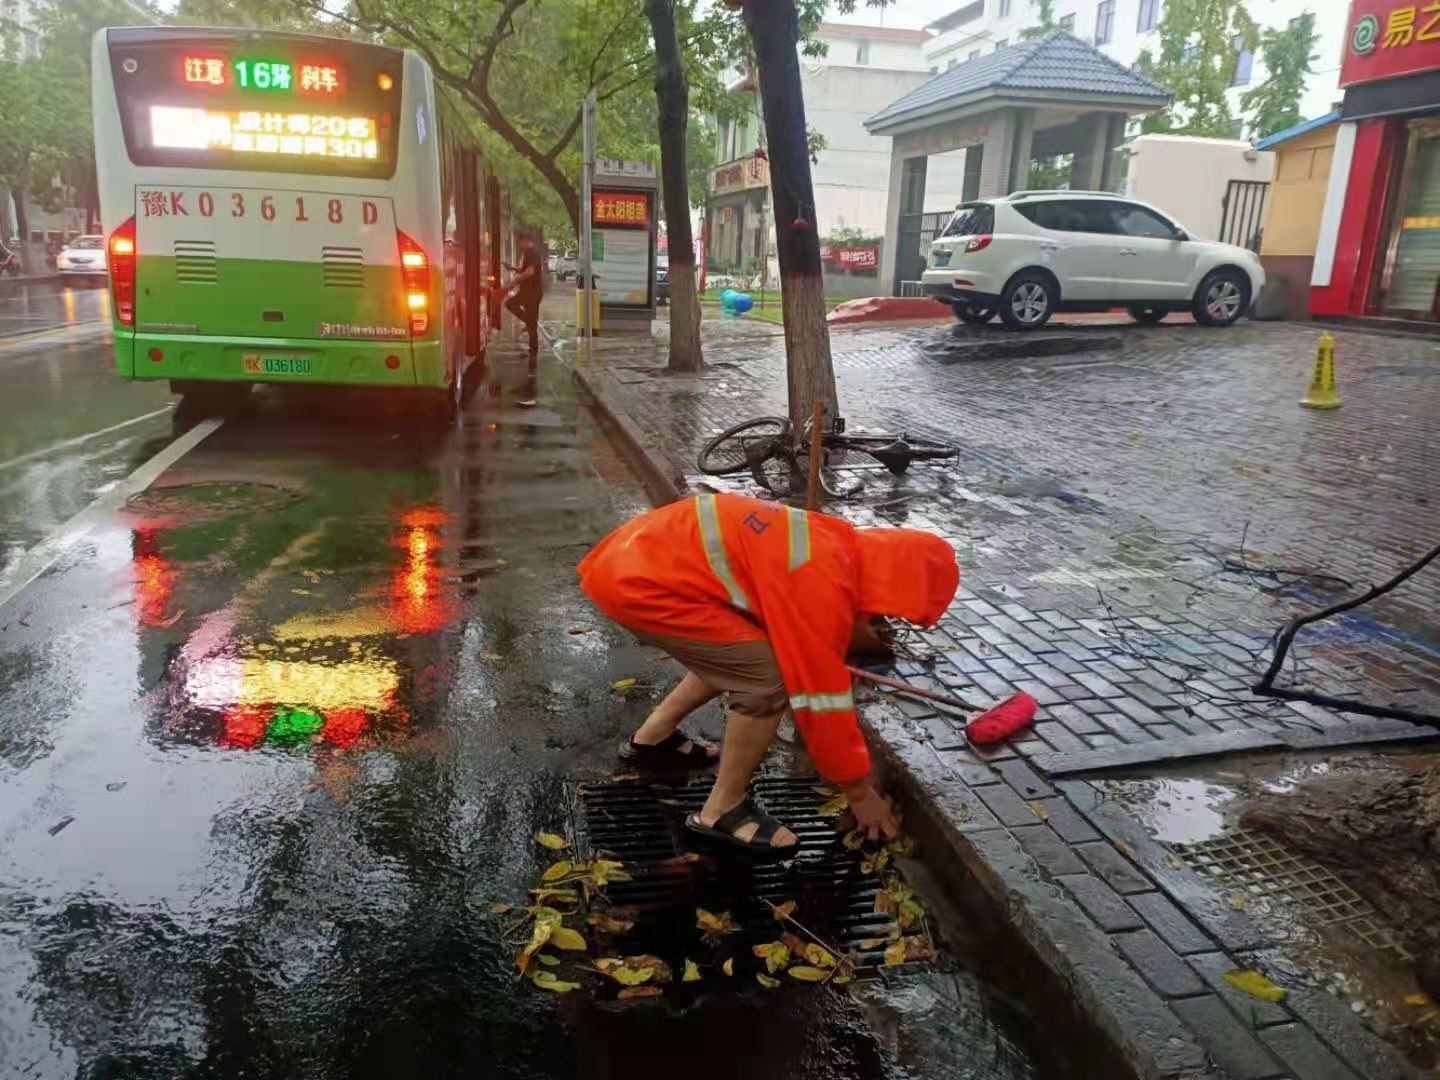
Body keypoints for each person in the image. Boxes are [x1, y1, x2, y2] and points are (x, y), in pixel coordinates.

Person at [578, 492, 959, 859]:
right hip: (642, 585)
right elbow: (820, 704)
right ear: (893, 588)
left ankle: (653, 738)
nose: (882, 623)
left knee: (743, 654)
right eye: (888, 614)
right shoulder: (824, 587)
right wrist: (859, 793)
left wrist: (828, 653)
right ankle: (722, 811)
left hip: (631, 557)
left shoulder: (835, 543)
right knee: (766, 678)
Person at [502, 231, 543, 357]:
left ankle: (533, 351)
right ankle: (527, 320)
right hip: (525, 292)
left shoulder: (532, 254)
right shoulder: (527, 254)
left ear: (526, 241)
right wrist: (512, 268)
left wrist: (516, 280)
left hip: (532, 293)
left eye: (520, 242)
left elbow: (530, 272)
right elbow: (525, 269)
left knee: (532, 324)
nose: (519, 245)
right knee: (510, 303)